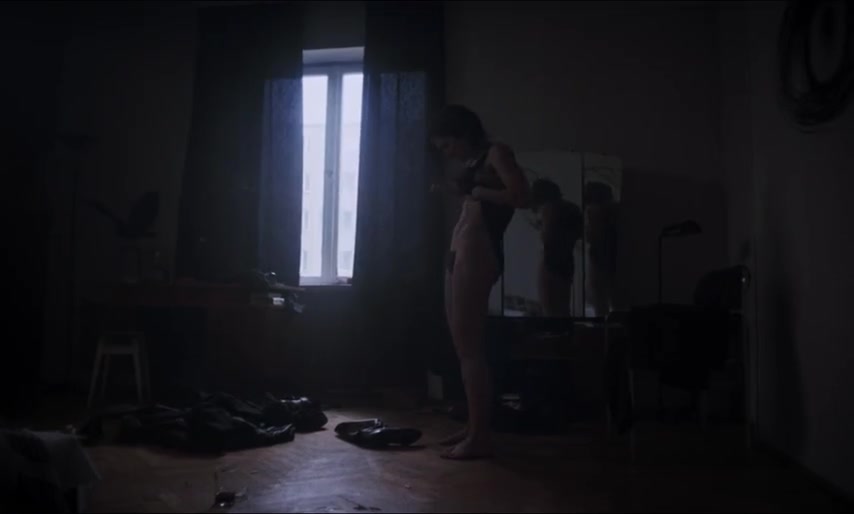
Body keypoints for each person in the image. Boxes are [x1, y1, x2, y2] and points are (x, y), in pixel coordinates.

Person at [429, 105, 529, 459]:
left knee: (470, 347)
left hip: (479, 250)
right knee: (462, 346)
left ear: (463, 133)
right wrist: (460, 189)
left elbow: (521, 195)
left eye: (447, 145)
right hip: (461, 249)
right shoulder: (474, 163)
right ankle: (474, 426)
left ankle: (480, 436)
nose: (448, 153)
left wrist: (477, 191)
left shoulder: (496, 152)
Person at [529, 179, 583, 317]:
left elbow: (546, 237)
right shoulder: (572, 209)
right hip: (567, 261)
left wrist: (541, 226)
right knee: (563, 308)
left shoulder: (548, 209)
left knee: (549, 309)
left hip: (550, 261)